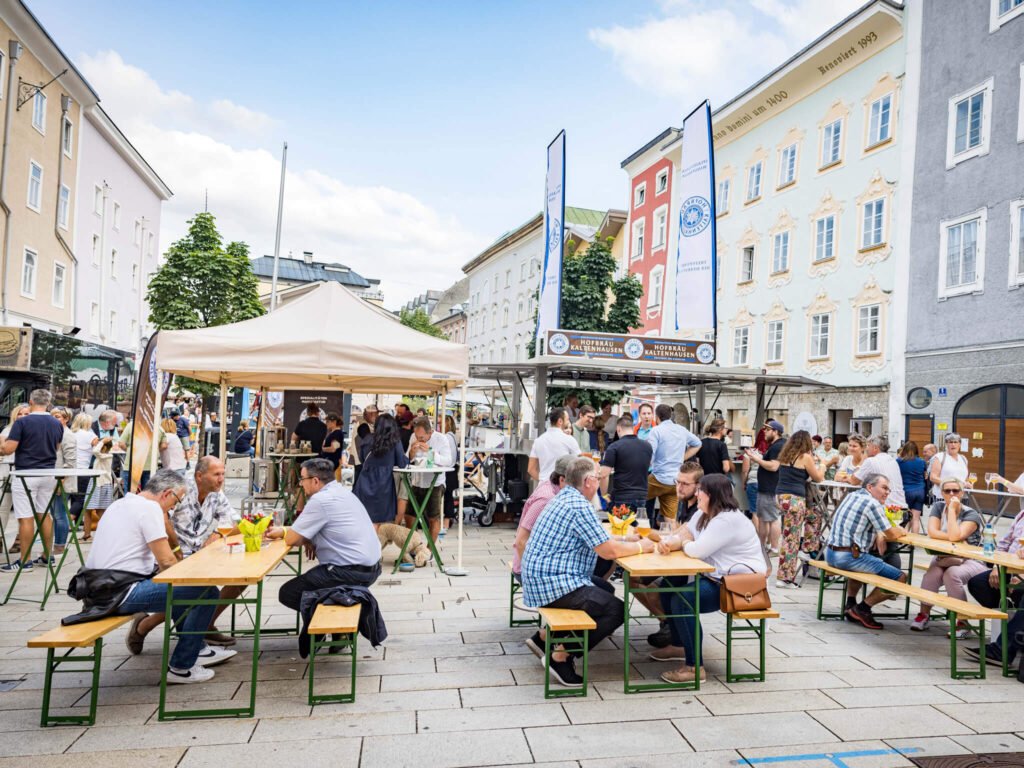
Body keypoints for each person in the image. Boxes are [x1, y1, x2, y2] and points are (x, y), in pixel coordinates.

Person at [77, 469, 235, 683]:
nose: (174, 507)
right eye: (176, 500)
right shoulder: (150, 509)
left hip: (97, 589)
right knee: (207, 593)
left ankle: (199, 649)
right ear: (167, 494)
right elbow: (167, 561)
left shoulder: (120, 504)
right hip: (121, 592)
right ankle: (181, 667)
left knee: (183, 590)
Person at [521, 457, 656, 687]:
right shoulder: (579, 506)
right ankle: (561, 657)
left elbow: (596, 537)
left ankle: (544, 638)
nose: (601, 480)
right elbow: (608, 551)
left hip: (540, 576)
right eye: (598, 476)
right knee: (615, 610)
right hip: (551, 582)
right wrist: (642, 546)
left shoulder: (566, 497)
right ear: (588, 481)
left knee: (604, 588)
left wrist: (626, 539)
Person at [651, 474, 767, 683]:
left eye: (700, 491)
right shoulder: (704, 513)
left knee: (683, 600)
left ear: (711, 495)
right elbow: (683, 534)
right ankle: (678, 645)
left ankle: (694, 667)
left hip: (738, 586)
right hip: (718, 578)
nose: (697, 495)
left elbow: (696, 550)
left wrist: (684, 543)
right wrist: (670, 542)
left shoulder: (728, 519)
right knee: (669, 587)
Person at [269, 458, 381, 614]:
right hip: (371, 568)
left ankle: (328, 623)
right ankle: (327, 625)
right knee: (310, 586)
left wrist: (300, 536)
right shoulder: (341, 491)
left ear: (315, 481)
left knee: (289, 593)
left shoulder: (320, 500)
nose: (301, 484)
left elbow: (292, 539)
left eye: (302, 479)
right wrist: (307, 537)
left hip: (350, 572)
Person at [166, 456, 240, 646]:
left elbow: (232, 520)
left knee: (240, 578)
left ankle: (205, 625)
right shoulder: (181, 490)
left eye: (223, 474)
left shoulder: (216, 493)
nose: (221, 479)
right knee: (202, 590)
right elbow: (162, 518)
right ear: (199, 476)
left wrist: (216, 533)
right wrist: (175, 549)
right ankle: (144, 625)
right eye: (216, 474)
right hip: (174, 556)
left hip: (199, 554)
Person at [824, 473, 909, 631]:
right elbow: (891, 533)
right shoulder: (872, 503)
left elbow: (875, 525)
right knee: (900, 577)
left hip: (830, 554)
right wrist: (901, 531)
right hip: (847, 557)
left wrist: (879, 533)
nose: (887, 492)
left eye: (888, 489)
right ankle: (862, 608)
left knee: (864, 558)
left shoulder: (852, 495)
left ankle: (851, 603)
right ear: (870, 487)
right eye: (884, 488)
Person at [911, 478, 986, 634]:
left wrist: (952, 511)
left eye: (955, 491)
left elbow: (953, 536)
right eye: (947, 491)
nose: (951, 494)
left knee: (952, 575)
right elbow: (933, 532)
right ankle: (924, 614)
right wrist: (957, 537)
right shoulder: (938, 506)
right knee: (931, 575)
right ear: (941, 493)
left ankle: (963, 621)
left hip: (973, 559)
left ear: (962, 493)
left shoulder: (971, 514)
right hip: (946, 556)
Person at [0, 389, 64, 573]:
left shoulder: (22, 422)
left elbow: (10, 449)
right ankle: (47, 555)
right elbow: (57, 446)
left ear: (30, 401)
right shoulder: (56, 423)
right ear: (48, 402)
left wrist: (2, 446)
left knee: (25, 516)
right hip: (48, 473)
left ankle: (24, 560)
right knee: (44, 514)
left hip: (26, 473)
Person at [965, 505, 1024, 668]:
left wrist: (1021, 576)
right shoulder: (1021, 514)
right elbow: (1003, 545)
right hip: (1009, 568)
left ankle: (1002, 650)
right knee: (978, 583)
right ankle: (1012, 626)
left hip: (1020, 573)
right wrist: (997, 566)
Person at [774, 430, 826, 587]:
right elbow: (818, 477)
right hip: (796, 500)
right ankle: (784, 578)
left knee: (815, 515)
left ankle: (808, 546)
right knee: (791, 539)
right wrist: (823, 465)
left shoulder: (785, 455)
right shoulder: (805, 457)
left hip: (782, 498)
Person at [512, 454, 573, 577]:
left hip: (546, 562)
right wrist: (530, 573)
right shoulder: (546, 499)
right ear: (562, 479)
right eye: (575, 481)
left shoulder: (553, 487)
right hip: (532, 571)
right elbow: (520, 541)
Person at [397, 416, 453, 541]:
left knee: (433, 517)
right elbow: (407, 459)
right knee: (409, 515)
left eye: (421, 437)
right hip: (416, 481)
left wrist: (431, 452)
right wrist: (411, 452)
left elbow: (448, 461)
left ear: (430, 432)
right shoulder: (413, 437)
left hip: (435, 483)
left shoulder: (441, 439)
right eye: (417, 436)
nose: (418, 439)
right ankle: (413, 546)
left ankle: (429, 550)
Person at [645, 404, 701, 524]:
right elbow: (698, 443)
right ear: (671, 416)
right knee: (670, 519)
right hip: (675, 481)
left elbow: (650, 455)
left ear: (657, 417)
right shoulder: (682, 430)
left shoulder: (656, 431)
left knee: (636, 498)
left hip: (658, 479)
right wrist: (683, 457)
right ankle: (674, 541)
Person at [353, 413, 408, 528]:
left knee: (365, 517)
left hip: (365, 481)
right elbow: (402, 464)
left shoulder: (367, 439)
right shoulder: (394, 441)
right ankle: (374, 544)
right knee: (378, 520)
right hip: (384, 484)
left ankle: (368, 543)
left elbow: (362, 459)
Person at [745, 420, 787, 555]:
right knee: (764, 518)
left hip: (770, 487)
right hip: (766, 487)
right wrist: (759, 457)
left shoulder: (777, 446)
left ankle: (774, 548)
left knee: (773, 519)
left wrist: (756, 459)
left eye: (768, 430)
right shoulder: (774, 445)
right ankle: (762, 546)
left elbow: (774, 466)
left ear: (775, 432)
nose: (765, 432)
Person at [598, 414, 652, 512]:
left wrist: (604, 495)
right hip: (642, 495)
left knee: (621, 526)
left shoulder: (614, 447)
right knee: (636, 526)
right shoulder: (647, 446)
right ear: (632, 428)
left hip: (622, 495)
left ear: (618, 429)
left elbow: (604, 475)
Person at [850, 436, 907, 513]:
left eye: (868, 446)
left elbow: (854, 481)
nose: (866, 449)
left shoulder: (871, 461)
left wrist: (863, 459)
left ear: (875, 448)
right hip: (901, 507)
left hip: (886, 509)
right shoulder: (893, 461)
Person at [49, 406, 76, 558]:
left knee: (60, 514)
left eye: (58, 416)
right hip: (52, 480)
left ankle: (59, 546)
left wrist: (61, 482)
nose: (54, 419)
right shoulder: (54, 433)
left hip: (61, 482)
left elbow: (70, 463)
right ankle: (56, 544)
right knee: (55, 513)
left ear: (66, 419)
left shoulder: (68, 435)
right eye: (52, 416)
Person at [528, 407, 579, 481]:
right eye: (567, 419)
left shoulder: (538, 441)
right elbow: (578, 464)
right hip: (561, 487)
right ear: (560, 421)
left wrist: (543, 481)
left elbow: (530, 469)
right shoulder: (569, 439)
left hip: (543, 487)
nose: (569, 422)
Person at [82, 435, 117, 541]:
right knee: (99, 510)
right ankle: (97, 534)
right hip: (99, 483)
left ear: (104, 447)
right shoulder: (105, 455)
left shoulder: (107, 456)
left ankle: (88, 535)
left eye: (99, 445)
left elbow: (95, 451)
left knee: (89, 509)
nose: (97, 446)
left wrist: (103, 442)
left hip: (99, 484)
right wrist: (102, 441)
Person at [897, 441, 929, 533]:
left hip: (905, 492)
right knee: (915, 519)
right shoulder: (922, 462)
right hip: (920, 491)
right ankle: (914, 543)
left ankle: (904, 542)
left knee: (905, 519)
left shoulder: (899, 461)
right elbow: (925, 475)